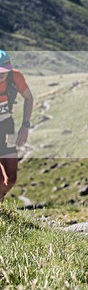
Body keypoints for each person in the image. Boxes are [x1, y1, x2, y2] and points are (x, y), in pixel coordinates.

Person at [0, 50, 34, 203]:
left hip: (7, 128)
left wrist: (25, 126)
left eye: (5, 71)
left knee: (11, 179)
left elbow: (28, 98)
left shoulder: (16, 77)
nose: (2, 74)